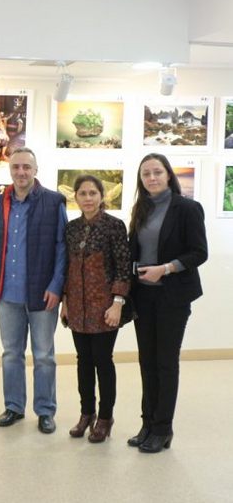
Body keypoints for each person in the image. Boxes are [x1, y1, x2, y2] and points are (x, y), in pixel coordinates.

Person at [126, 153, 207, 454]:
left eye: (157, 172)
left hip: (173, 296)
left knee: (165, 362)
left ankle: (163, 429)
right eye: (146, 174)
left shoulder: (187, 208)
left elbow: (199, 253)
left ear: (169, 175)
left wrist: (167, 267)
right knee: (146, 361)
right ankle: (147, 424)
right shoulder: (141, 209)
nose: (152, 178)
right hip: (143, 296)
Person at [0, 147, 67, 434]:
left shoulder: (53, 201)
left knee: (44, 355)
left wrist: (56, 286)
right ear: (10, 170)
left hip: (42, 293)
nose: (21, 172)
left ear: (36, 170)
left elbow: (62, 248)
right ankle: (13, 407)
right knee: (11, 353)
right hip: (7, 292)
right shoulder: (3, 201)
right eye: (16, 167)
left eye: (26, 167)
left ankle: (45, 410)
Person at [61, 174, 131, 443]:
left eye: (93, 193)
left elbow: (124, 267)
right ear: (75, 197)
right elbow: (67, 267)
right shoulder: (72, 228)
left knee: (103, 361)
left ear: (102, 196)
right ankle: (86, 413)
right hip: (77, 306)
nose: (88, 198)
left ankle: (105, 417)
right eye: (83, 193)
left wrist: (117, 303)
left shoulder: (114, 226)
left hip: (105, 307)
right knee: (83, 362)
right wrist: (65, 302)